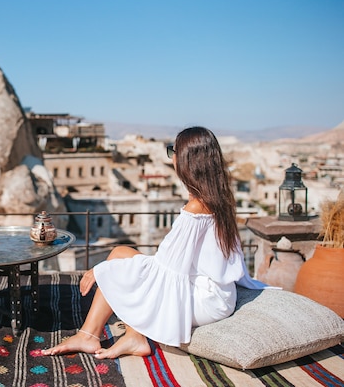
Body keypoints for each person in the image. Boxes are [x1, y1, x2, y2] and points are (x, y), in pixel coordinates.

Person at [42, 126, 269, 359]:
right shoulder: (219, 199)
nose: (172, 158)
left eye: (174, 152)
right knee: (120, 252)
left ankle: (91, 335)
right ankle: (124, 336)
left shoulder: (196, 209)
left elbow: (164, 270)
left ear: (187, 160)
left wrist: (103, 271)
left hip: (205, 301)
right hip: (217, 293)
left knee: (119, 266)